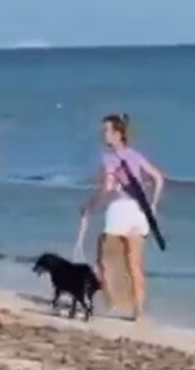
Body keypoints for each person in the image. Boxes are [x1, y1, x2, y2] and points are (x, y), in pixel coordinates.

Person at [76, 114, 164, 321]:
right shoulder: (136, 155)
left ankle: (111, 301)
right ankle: (138, 310)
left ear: (117, 134)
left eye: (106, 130)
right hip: (139, 211)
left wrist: (89, 206)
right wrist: (153, 205)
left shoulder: (109, 158)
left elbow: (107, 187)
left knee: (102, 260)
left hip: (120, 211)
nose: (103, 134)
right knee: (135, 263)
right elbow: (158, 179)